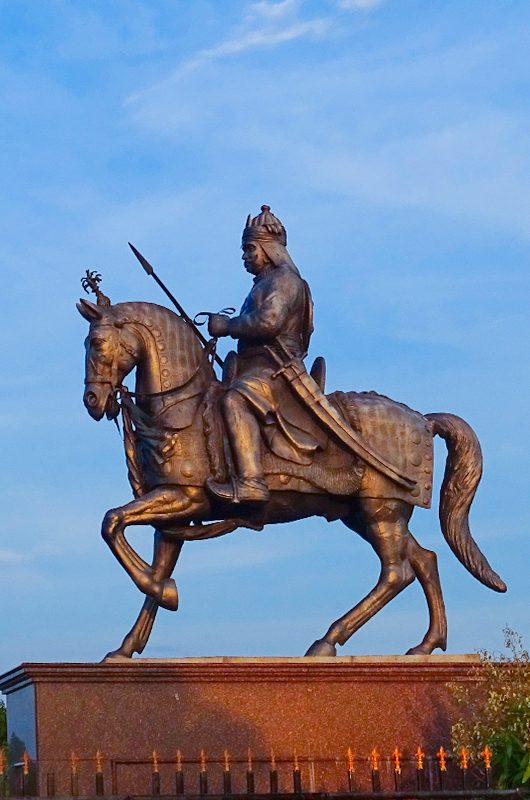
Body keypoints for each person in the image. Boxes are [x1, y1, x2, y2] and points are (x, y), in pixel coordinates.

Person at [207, 205, 314, 504]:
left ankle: (252, 481)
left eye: (249, 249)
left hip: (275, 371)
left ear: (268, 249)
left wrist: (227, 325)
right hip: (253, 368)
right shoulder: (263, 284)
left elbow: (269, 323)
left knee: (234, 400)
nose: (244, 256)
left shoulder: (285, 281)